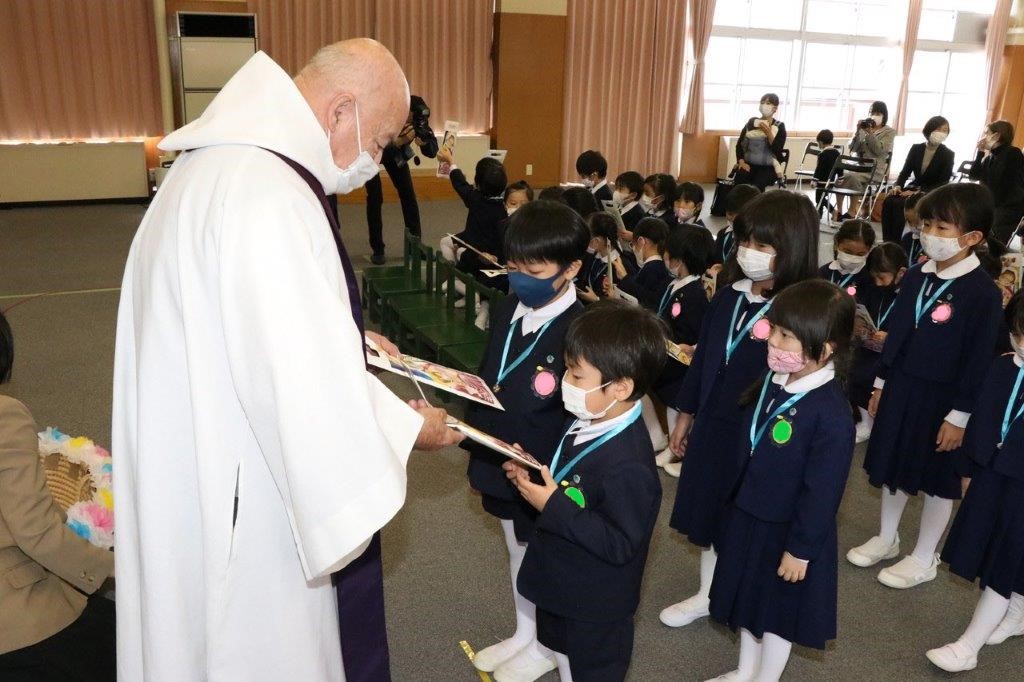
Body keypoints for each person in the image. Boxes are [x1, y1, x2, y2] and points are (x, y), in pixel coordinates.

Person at [112, 41, 464, 681]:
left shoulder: (217, 167)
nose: (375, 161)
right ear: (340, 112)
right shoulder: (265, 195)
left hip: (196, 453)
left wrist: (347, 338)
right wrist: (411, 427)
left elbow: (243, 323)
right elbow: (299, 391)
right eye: (379, 141)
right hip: (247, 498)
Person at [659, 191, 819, 621]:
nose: (749, 252)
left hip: (760, 436)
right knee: (710, 512)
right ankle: (707, 593)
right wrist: (685, 415)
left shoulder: (800, 309)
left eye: (763, 246)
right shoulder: (730, 295)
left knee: (744, 519)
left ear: (793, 248)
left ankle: (738, 595)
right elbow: (705, 359)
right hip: (714, 424)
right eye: (745, 240)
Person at [850, 184, 1003, 592]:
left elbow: (980, 361)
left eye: (942, 226)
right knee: (894, 465)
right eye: (927, 224)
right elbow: (897, 333)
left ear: (972, 238)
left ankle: (925, 554)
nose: (930, 233)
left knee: (938, 478)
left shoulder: (983, 293)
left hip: (945, 399)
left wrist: (960, 416)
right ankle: (887, 536)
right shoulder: (917, 274)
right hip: (901, 387)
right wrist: (881, 382)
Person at [501, 300, 663, 681]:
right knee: (566, 657)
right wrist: (534, 468)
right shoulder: (591, 416)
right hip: (566, 583)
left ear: (620, 387)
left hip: (596, 603)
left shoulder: (631, 466)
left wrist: (552, 504)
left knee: (592, 671)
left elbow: (619, 542)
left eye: (576, 376)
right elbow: (576, 472)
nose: (565, 383)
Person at [706, 280, 856, 682]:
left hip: (788, 532)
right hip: (751, 515)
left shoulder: (832, 415)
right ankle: (744, 672)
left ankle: (766, 678)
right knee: (747, 602)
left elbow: (823, 492)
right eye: (773, 329)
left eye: (785, 335)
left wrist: (801, 550)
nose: (772, 340)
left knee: (776, 614)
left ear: (825, 349)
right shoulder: (772, 382)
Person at [464, 200, 589, 680]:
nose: (519, 278)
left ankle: (546, 647)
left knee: (547, 558)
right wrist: (476, 455)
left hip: (548, 475)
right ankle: (525, 631)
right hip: (500, 459)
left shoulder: (582, 331)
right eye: (512, 266)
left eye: (533, 270)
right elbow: (488, 378)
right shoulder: (506, 307)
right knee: (515, 547)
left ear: (572, 268)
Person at [0, 311, 116, 681]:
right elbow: (35, 530)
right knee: (126, 644)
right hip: (16, 622)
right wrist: (114, 569)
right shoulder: (6, 416)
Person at [925, 291, 1024, 672]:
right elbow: (981, 419)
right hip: (991, 474)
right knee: (993, 552)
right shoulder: (1002, 367)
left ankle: (969, 646)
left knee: (1006, 558)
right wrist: (967, 469)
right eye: (1017, 333)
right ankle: (1016, 610)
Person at [652, 226, 714, 471]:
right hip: (668, 353)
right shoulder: (676, 286)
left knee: (674, 398)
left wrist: (687, 347)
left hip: (683, 362)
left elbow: (697, 334)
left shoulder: (694, 294)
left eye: (669, 256)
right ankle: (664, 438)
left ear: (679, 259)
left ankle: (677, 448)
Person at [364, 95, 434, 264]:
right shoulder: (385, 113)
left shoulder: (418, 118)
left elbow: (432, 150)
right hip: (371, 152)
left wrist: (424, 142)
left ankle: (414, 246)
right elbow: (373, 147)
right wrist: (400, 141)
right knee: (375, 196)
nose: (413, 120)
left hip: (396, 154)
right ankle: (378, 249)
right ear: (406, 110)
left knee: (408, 195)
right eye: (412, 117)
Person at [850, 242, 907, 444]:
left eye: (882, 277)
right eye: (874, 277)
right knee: (853, 367)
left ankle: (872, 423)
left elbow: (912, 330)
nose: (878, 282)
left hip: (894, 353)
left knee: (872, 374)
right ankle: (864, 419)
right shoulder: (873, 289)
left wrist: (890, 336)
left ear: (901, 273)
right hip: (869, 346)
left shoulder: (909, 295)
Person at [882, 116, 955, 242]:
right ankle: (888, 241)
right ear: (930, 130)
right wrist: (898, 186)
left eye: (945, 130)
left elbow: (943, 182)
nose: (942, 133)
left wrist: (918, 193)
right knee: (889, 200)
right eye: (939, 129)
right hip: (914, 187)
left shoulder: (948, 154)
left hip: (931, 192)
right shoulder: (916, 148)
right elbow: (904, 172)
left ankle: (898, 243)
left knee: (901, 204)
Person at [437, 153, 509, 275]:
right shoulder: (503, 206)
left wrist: (450, 161)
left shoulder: (475, 198)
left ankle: (455, 277)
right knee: (451, 243)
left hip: (476, 250)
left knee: (450, 246)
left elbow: (460, 183)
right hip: (496, 253)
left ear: (478, 183)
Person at [834, 101, 895, 220]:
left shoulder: (889, 132)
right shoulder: (864, 127)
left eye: (877, 113)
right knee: (840, 180)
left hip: (874, 170)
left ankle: (852, 212)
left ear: (884, 115)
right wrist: (858, 131)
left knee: (852, 178)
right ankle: (839, 211)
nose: (874, 115)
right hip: (858, 168)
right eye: (872, 112)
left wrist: (870, 133)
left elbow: (879, 150)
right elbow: (852, 148)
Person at [969, 120, 1024, 244]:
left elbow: (1010, 187)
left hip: (1007, 209)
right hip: (992, 207)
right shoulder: (989, 158)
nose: (984, 137)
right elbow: (973, 176)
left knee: (991, 244)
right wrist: (980, 153)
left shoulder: (1013, 153)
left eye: (987, 133)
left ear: (997, 135)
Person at [612, 217, 673, 310]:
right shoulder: (660, 265)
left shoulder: (653, 268)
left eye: (632, 244)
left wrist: (625, 278)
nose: (633, 248)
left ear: (641, 241)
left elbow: (647, 299)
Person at [733, 93, 788, 192]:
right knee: (740, 181)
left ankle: (756, 206)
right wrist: (741, 162)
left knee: (757, 185)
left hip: (769, 166)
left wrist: (768, 133)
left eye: (768, 103)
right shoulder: (751, 123)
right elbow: (740, 145)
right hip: (749, 163)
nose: (764, 105)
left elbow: (777, 150)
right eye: (762, 103)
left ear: (775, 108)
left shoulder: (779, 126)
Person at [578, 212, 634, 303]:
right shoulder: (593, 255)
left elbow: (623, 306)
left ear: (596, 241)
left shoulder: (622, 268)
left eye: (585, 238)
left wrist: (597, 300)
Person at [818, 219, 876, 299]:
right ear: (836, 245)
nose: (853, 258)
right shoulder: (824, 272)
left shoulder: (870, 278)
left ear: (869, 251)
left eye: (860, 254)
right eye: (848, 252)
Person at [712, 184, 760, 267]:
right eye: (729, 213)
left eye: (738, 215)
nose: (733, 218)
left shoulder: (758, 242)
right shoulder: (723, 234)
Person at [812, 129, 841, 216]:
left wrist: (814, 180)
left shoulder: (822, 154)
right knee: (822, 197)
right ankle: (818, 213)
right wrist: (840, 178)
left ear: (821, 142)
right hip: (831, 181)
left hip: (822, 181)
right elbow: (840, 168)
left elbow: (819, 169)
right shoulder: (837, 153)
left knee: (819, 198)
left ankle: (833, 211)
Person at [614, 171, 647, 238]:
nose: (616, 192)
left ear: (633, 195)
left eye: (620, 189)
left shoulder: (638, 214)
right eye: (616, 188)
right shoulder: (619, 207)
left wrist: (633, 237)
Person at [900, 192, 927, 266]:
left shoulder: (934, 243)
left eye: (918, 222)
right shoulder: (907, 239)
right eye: (909, 221)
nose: (913, 226)